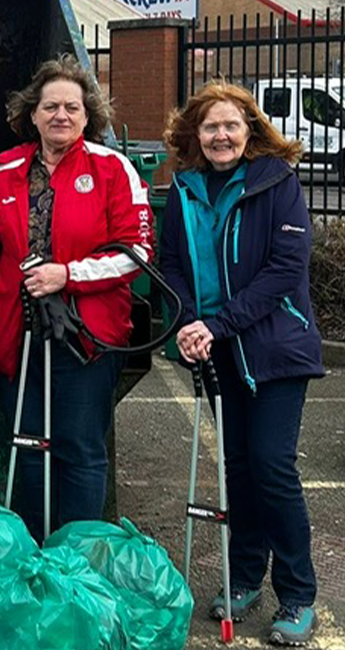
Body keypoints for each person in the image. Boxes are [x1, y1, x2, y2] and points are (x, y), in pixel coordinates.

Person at [161, 81, 323, 647]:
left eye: (231, 124)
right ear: (195, 134)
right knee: (238, 469)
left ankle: (298, 593)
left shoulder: (277, 183)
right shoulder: (184, 189)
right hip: (216, 349)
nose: (221, 136)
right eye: (210, 126)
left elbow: (285, 269)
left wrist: (219, 324)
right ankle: (246, 576)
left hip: (275, 350)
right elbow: (171, 264)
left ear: (250, 129)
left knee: (272, 466)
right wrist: (187, 322)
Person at [0, 55, 153, 539]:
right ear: (31, 114)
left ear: (87, 114)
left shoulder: (112, 169)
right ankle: (35, 554)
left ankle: (76, 556)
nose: (61, 115)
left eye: (72, 107)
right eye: (50, 106)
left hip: (87, 337)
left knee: (80, 450)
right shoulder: (0, 174)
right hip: (20, 336)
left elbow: (137, 254)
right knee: (28, 448)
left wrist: (68, 275)